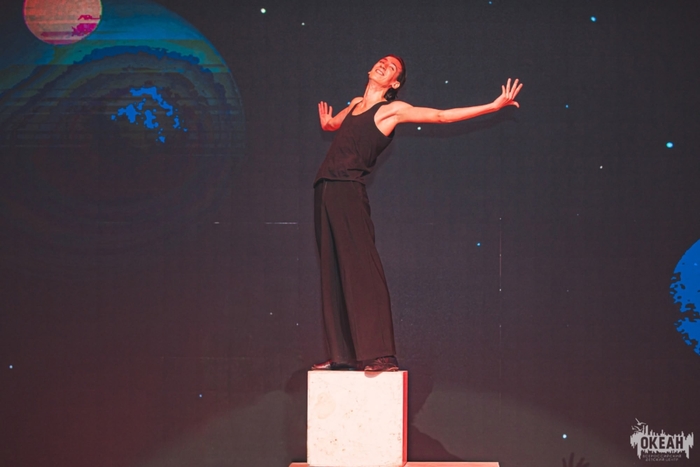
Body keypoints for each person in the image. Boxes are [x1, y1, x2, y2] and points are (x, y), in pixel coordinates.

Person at [312, 55, 522, 372]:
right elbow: (335, 125)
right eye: (382, 61)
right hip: (324, 187)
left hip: (348, 190)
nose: (384, 65)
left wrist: (493, 106)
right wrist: (328, 123)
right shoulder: (355, 103)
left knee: (362, 269)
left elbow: (441, 116)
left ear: (394, 83)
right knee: (332, 271)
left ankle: (381, 353)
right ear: (370, 69)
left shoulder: (391, 110)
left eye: (392, 67)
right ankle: (342, 354)